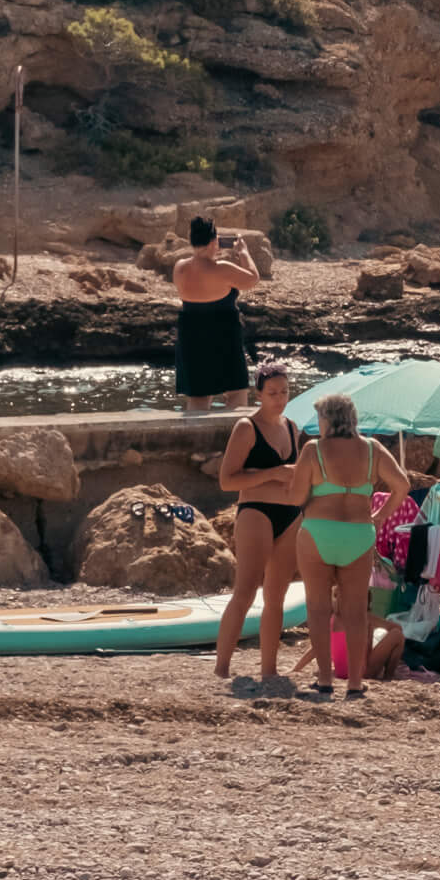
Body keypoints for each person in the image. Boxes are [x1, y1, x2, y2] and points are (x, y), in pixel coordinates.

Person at [287, 392, 411, 700]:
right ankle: (355, 682)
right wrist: (380, 516)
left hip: (318, 532)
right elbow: (402, 485)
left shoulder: (313, 449)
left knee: (318, 608)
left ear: (327, 419)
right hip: (358, 534)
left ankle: (325, 679)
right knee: (356, 611)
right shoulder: (372, 449)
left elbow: (295, 497)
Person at [212, 361, 304, 681]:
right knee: (246, 591)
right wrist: (274, 473)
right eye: (273, 393)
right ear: (259, 395)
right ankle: (222, 667)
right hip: (256, 512)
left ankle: (269, 669)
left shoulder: (292, 428)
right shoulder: (246, 427)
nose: (280, 399)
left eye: (285, 392)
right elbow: (227, 480)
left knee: (276, 597)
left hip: (290, 515)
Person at [173, 216, 261, 413]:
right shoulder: (222, 269)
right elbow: (253, 278)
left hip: (191, 335)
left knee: (198, 397)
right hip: (224, 332)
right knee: (236, 394)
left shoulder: (180, 268)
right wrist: (244, 253)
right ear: (213, 241)